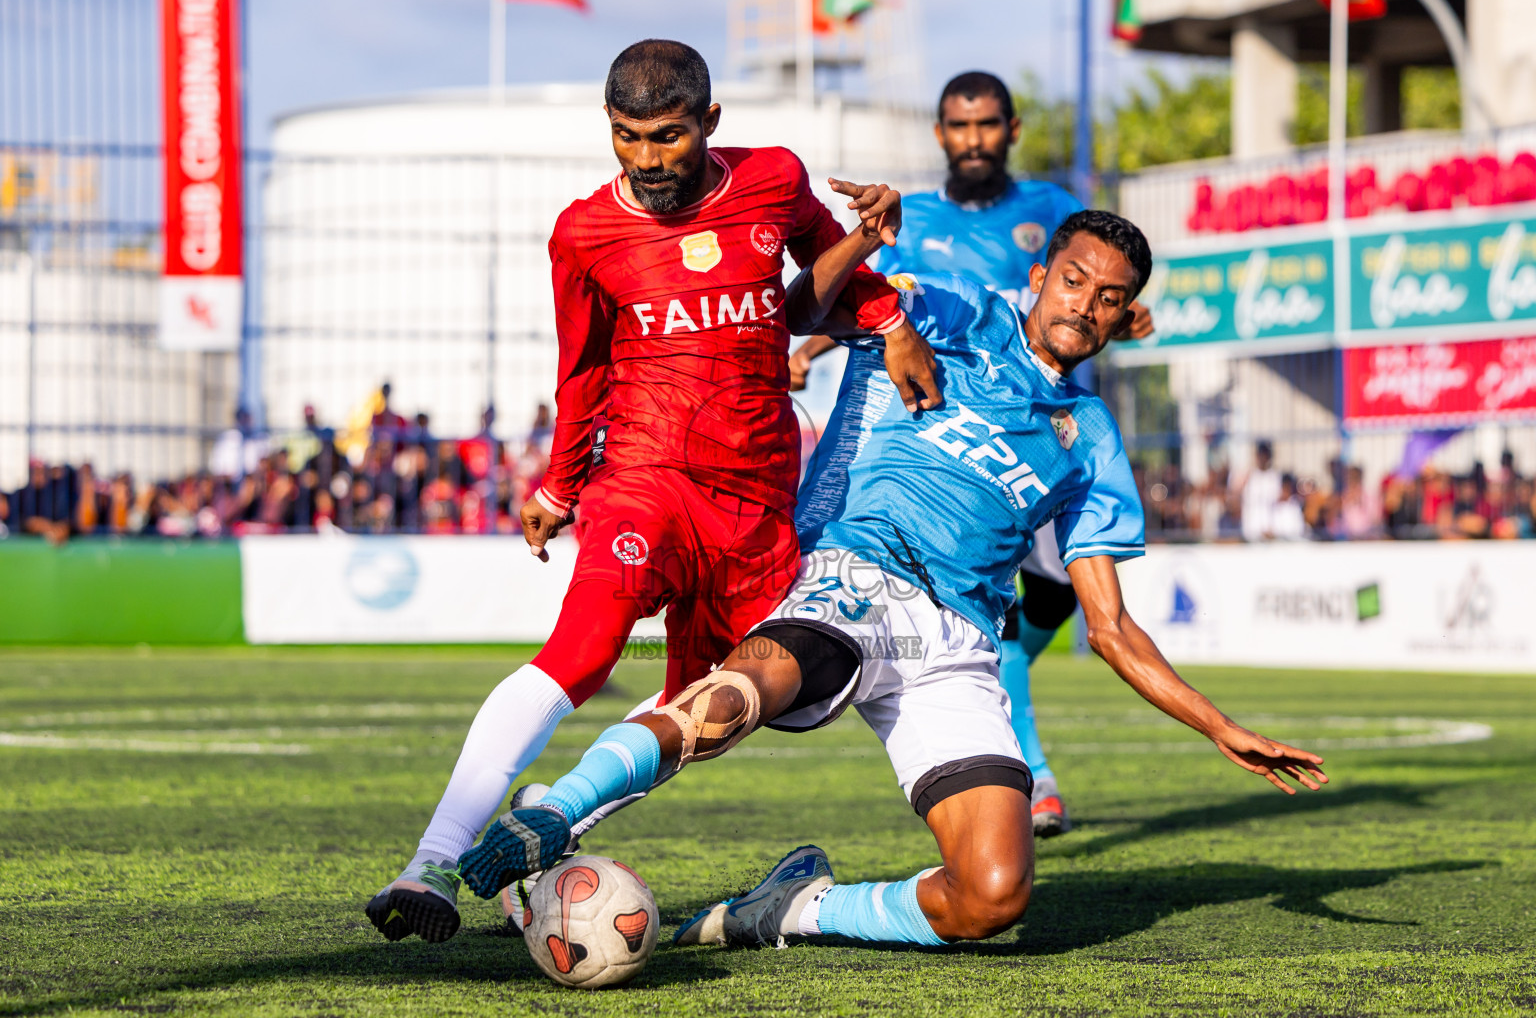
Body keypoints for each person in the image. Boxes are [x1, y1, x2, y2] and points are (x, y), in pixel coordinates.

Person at [460, 210, 1328, 951]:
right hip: (856, 571)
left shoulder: (1092, 437)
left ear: (1124, 312)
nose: (1084, 307)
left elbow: (1109, 626)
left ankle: (794, 908)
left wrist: (1219, 726)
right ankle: (550, 816)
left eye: (1108, 298)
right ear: (1040, 276)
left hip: (955, 646)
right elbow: (807, 306)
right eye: (1072, 282)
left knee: (994, 894)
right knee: (737, 696)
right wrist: (863, 249)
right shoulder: (960, 315)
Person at [365, 38, 941, 945]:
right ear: (611, 129)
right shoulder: (584, 232)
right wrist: (561, 485)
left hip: (755, 501)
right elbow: (582, 369)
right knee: (584, 649)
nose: (647, 158)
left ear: (709, 123)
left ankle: (546, 817)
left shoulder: (774, 180)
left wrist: (888, 312)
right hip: (646, 479)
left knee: (708, 706)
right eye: (628, 137)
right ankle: (433, 858)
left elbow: (821, 281)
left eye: (667, 137)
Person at [788, 72, 1152, 837]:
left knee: (1050, 605)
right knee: (995, 608)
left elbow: (1100, 272)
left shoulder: (1051, 210)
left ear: (1010, 129)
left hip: (1038, 432)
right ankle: (1035, 773)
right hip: (937, 429)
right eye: (958, 126)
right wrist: (818, 348)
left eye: (986, 124)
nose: (973, 139)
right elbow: (886, 296)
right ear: (940, 135)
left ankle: (1010, 733)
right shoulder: (913, 217)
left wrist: (1122, 308)